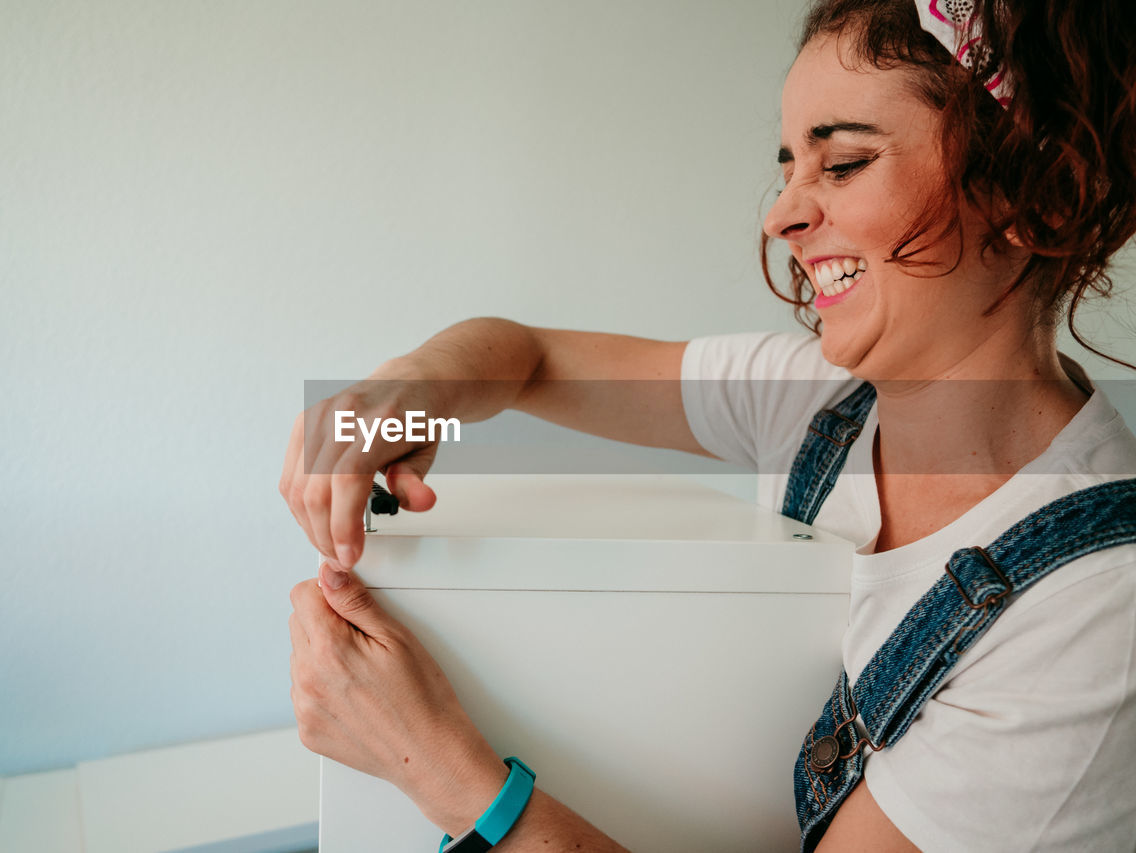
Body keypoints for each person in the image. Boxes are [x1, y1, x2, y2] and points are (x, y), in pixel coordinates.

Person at [282, 0, 1136, 848]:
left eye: (841, 164)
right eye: (790, 165)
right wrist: (405, 388)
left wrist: (433, 764)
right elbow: (528, 357)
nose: (783, 215)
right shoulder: (817, 400)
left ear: (1042, 195)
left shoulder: (1096, 612)